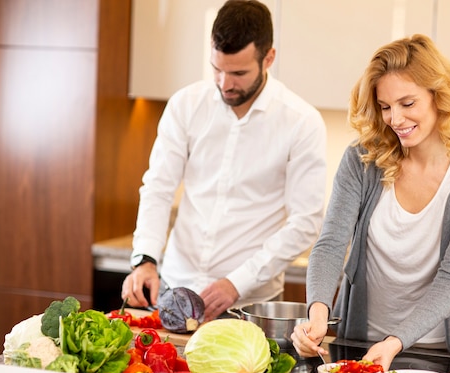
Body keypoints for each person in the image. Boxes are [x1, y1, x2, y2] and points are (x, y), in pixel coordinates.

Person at [291, 34, 450, 373]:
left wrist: (395, 342)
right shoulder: (363, 160)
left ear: (440, 96)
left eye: (408, 103)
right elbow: (330, 244)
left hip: (438, 349)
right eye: (385, 106)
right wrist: (317, 313)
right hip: (360, 341)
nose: (395, 119)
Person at [122, 0, 327, 322]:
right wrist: (145, 258)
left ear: (269, 57)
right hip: (175, 288)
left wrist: (237, 281)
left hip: (248, 303)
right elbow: (158, 187)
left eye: (239, 73)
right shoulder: (185, 105)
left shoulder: (301, 122)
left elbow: (306, 222)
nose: (225, 84)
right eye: (217, 69)